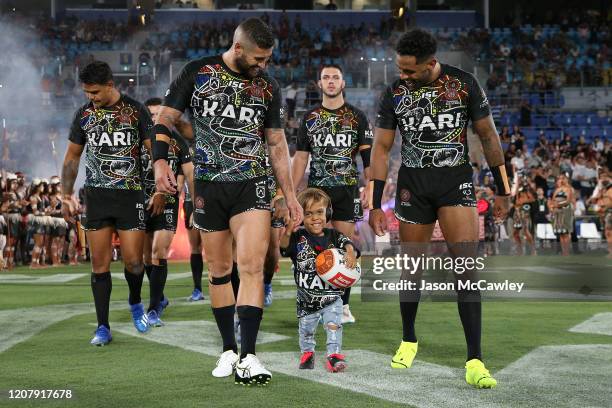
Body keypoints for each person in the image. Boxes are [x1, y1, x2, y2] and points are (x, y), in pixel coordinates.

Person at [152, 18, 302, 385]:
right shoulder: (197, 72)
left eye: (267, 60)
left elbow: (277, 145)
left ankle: (250, 355)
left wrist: (290, 196)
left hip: (252, 184)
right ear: (238, 49)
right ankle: (228, 349)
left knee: (250, 267)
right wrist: (158, 162)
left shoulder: (267, 86)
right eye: (258, 58)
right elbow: (165, 120)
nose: (263, 66)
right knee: (220, 271)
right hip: (208, 186)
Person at [368, 29, 510, 388]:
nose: (403, 76)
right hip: (413, 187)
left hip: (455, 183)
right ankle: (408, 340)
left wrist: (504, 189)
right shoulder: (395, 94)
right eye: (400, 68)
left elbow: (488, 135)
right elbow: (381, 149)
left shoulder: (463, 84)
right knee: (411, 270)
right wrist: (373, 203)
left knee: (465, 270)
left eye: (410, 70)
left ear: (432, 63)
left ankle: (475, 360)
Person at [60, 61, 154, 346]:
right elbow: (72, 158)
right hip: (97, 198)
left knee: (135, 262)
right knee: (98, 265)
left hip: (130, 195)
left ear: (111, 85)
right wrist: (65, 195)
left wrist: (160, 183)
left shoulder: (136, 111)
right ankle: (103, 326)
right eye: (87, 92)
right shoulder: (84, 115)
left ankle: (136, 303)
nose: (91, 97)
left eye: (95, 92)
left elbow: (154, 151)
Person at [291, 63, 372, 324]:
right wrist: (290, 193)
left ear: (343, 83)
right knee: (314, 249)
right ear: (320, 83)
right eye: (326, 77)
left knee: (344, 246)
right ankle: (316, 304)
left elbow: (368, 159)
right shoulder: (310, 117)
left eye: (335, 77)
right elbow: (301, 158)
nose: (331, 81)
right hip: (318, 192)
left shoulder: (358, 116)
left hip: (348, 190)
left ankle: (343, 306)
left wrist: (371, 187)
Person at [280, 188, 357, 372]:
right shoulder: (298, 237)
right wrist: (289, 229)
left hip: (332, 297)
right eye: (309, 214)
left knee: (334, 326)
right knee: (306, 331)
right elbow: (283, 249)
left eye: (320, 212)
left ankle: (334, 355)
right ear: (301, 216)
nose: (315, 218)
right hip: (307, 300)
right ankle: (307, 353)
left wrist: (350, 252)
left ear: (328, 213)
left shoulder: (334, 236)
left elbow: (348, 243)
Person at [142, 97, 194, 325]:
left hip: (169, 203)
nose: (154, 119)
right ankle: (160, 297)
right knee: (142, 258)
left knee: (157, 252)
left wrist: (195, 205)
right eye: (150, 115)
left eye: (157, 115)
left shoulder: (177, 142)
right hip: (140, 202)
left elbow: (190, 174)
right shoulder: (136, 141)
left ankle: (153, 309)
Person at [549, 174, 575, 256]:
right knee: (560, 232)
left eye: (563, 178)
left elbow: (568, 201)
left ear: (567, 179)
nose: (561, 180)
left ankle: (566, 252)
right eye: (559, 178)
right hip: (557, 211)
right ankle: (563, 252)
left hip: (566, 210)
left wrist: (557, 205)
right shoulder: (557, 190)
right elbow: (553, 200)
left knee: (566, 232)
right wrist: (552, 208)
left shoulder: (569, 189)